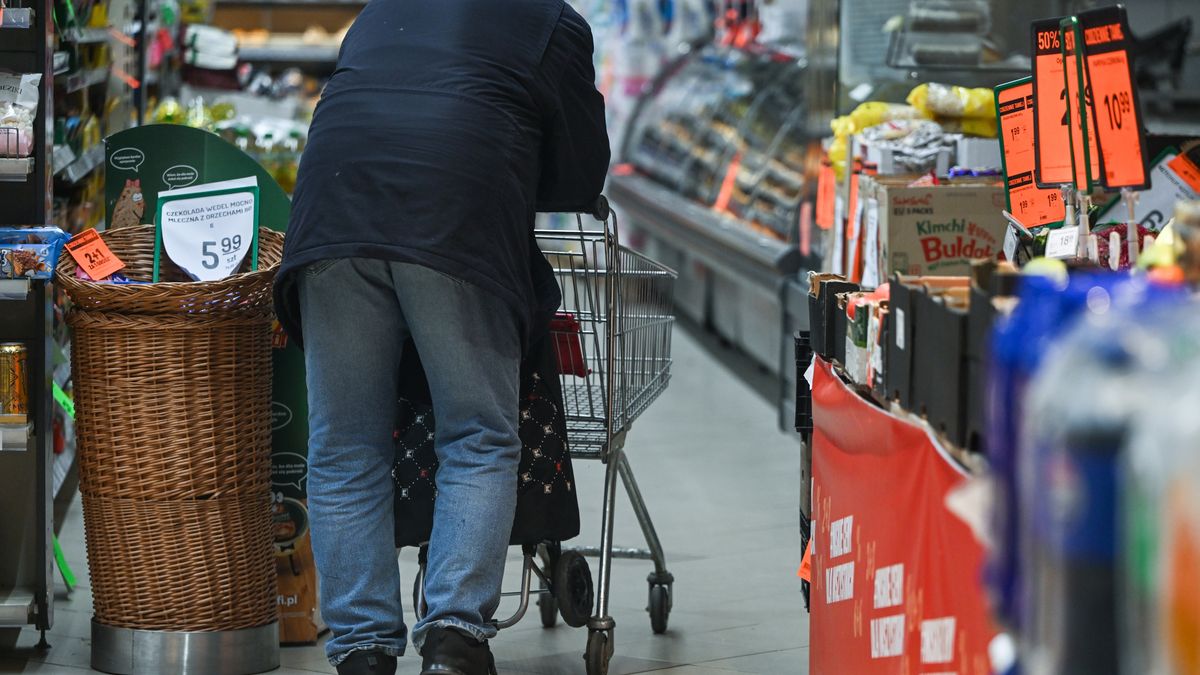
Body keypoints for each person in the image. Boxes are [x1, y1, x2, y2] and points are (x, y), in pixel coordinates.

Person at [272, 1, 610, 673]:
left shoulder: (382, 9)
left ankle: (362, 650)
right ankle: (454, 635)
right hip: (454, 219)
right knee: (479, 433)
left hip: (332, 214)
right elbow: (577, 176)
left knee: (343, 445)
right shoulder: (553, 23)